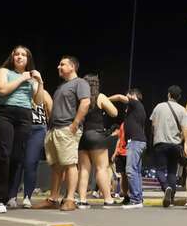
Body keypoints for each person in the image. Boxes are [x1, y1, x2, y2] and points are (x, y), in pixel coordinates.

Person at [0, 46, 44, 213]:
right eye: (17, 54)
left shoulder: (31, 78)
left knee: (17, 157)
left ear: (28, 59)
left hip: (25, 116)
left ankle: (7, 196)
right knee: (2, 154)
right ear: (12, 57)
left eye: (24, 55)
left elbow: (38, 102)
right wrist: (22, 78)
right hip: (5, 113)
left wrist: (40, 82)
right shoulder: (4, 71)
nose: (20, 57)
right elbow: (2, 90)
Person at [33, 56, 90, 211]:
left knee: (70, 164)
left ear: (72, 67)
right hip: (54, 130)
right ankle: (53, 198)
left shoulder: (80, 83)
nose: (59, 67)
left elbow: (85, 102)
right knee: (56, 167)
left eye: (62, 64)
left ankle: (70, 199)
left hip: (67, 129)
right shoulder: (62, 86)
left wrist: (75, 124)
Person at [76, 74, 118, 209]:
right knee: (101, 169)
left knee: (83, 170)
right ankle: (108, 199)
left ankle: (82, 200)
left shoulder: (80, 98)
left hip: (84, 136)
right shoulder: (99, 96)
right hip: (97, 135)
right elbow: (114, 113)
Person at [7, 90, 53, 209]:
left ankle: (27, 196)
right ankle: (12, 196)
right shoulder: (20, 91)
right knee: (17, 162)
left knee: (30, 162)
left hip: (38, 129)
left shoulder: (43, 92)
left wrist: (49, 128)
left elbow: (50, 109)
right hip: (21, 127)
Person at [150, 85, 187, 208]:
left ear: (169, 94)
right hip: (175, 145)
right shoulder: (182, 110)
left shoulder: (159, 107)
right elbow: (184, 130)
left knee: (160, 170)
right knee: (172, 171)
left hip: (160, 143)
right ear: (179, 97)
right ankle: (171, 198)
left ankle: (166, 188)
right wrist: (183, 142)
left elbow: (153, 125)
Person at [110, 89, 147, 209]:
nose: (127, 98)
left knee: (130, 170)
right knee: (135, 171)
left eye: (129, 96)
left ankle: (136, 200)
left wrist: (106, 100)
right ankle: (138, 199)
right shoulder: (137, 110)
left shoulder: (136, 104)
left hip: (135, 142)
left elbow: (120, 97)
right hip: (139, 142)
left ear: (133, 96)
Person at [111, 122, 129, 204]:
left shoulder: (133, 123)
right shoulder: (122, 124)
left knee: (131, 175)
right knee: (123, 175)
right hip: (121, 153)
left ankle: (135, 196)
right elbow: (119, 139)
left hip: (129, 152)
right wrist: (115, 153)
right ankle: (126, 196)